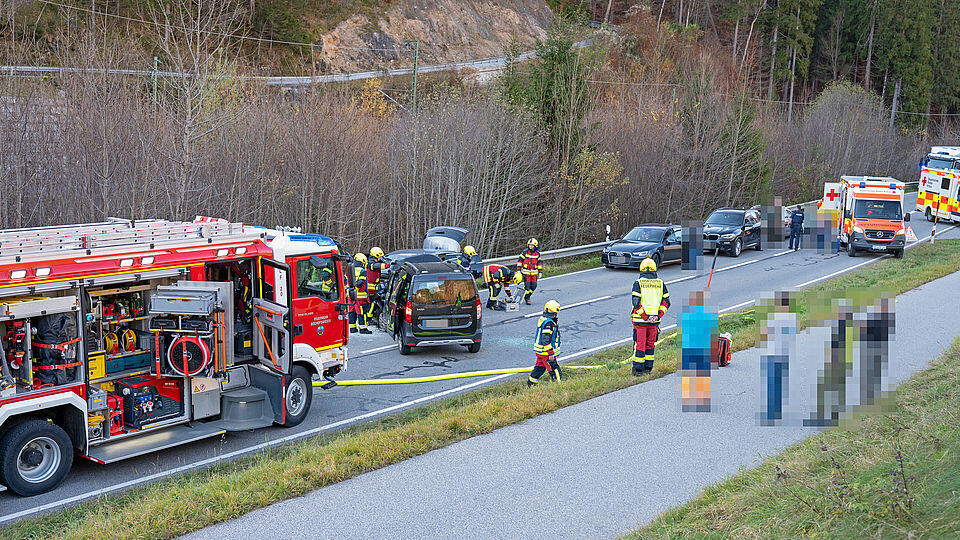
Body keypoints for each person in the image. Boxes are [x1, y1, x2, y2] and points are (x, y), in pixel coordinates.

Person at [628, 257, 670, 376]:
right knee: (650, 345)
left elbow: (636, 302)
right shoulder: (661, 284)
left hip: (640, 321)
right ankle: (648, 369)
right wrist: (657, 316)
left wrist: (646, 317)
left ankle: (637, 371)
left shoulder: (638, 283)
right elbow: (666, 302)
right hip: (654, 322)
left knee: (640, 344)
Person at [760, 292, 796, 425]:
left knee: (772, 383)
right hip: (783, 355)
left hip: (772, 354)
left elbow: (764, 334)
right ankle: (777, 411)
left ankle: (771, 412)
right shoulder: (792, 318)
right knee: (779, 383)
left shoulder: (773, 318)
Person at [680, 290, 717, 412]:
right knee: (702, 375)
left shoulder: (686, 315)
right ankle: (702, 399)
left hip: (689, 350)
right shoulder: (709, 315)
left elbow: (682, 333)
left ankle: (689, 399)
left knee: (689, 375)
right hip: (702, 350)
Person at [529, 300, 562, 386]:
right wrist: (550, 353)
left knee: (539, 369)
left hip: (541, 352)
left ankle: (531, 384)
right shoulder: (549, 323)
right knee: (554, 369)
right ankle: (559, 386)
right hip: (546, 353)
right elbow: (545, 340)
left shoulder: (544, 319)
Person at [349, 253, 372, 335]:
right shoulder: (363, 271)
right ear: (362, 262)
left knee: (352, 312)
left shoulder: (349, 269)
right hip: (360, 297)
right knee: (361, 312)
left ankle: (352, 328)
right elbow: (360, 283)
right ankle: (363, 328)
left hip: (350, 296)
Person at [365, 247, 389, 323]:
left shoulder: (372, 261)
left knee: (372, 304)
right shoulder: (370, 264)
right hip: (371, 290)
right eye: (379, 257)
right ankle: (368, 319)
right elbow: (379, 266)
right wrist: (388, 264)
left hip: (373, 289)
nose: (380, 258)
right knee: (371, 305)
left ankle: (369, 318)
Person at [517, 238, 543, 305]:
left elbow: (539, 263)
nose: (530, 246)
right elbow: (520, 261)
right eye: (529, 245)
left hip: (534, 273)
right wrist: (518, 270)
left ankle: (527, 296)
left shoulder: (537, 254)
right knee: (527, 287)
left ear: (535, 246)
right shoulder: (525, 252)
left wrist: (540, 272)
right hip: (526, 273)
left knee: (534, 286)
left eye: (532, 245)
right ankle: (527, 298)